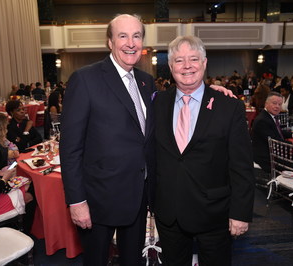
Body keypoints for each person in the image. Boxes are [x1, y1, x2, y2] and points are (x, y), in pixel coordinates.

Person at [59, 14, 156, 266]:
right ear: (110, 42)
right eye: (122, 36)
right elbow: (70, 148)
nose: (130, 43)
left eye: (136, 36)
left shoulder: (147, 81)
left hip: (137, 195)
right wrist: (76, 201)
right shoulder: (86, 79)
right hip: (98, 199)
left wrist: (213, 92)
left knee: (132, 260)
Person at [154, 35, 255, 265]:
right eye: (179, 61)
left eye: (193, 59)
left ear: (204, 63)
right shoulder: (157, 103)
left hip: (215, 214)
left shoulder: (229, 106)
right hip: (170, 214)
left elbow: (241, 165)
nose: (187, 66)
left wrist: (240, 213)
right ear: (171, 67)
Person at [252, 92, 293, 173]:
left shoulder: (268, 115)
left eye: (280, 104)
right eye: (274, 103)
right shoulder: (262, 120)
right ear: (266, 104)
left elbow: (276, 131)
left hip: (273, 152)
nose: (277, 106)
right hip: (266, 158)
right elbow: (274, 141)